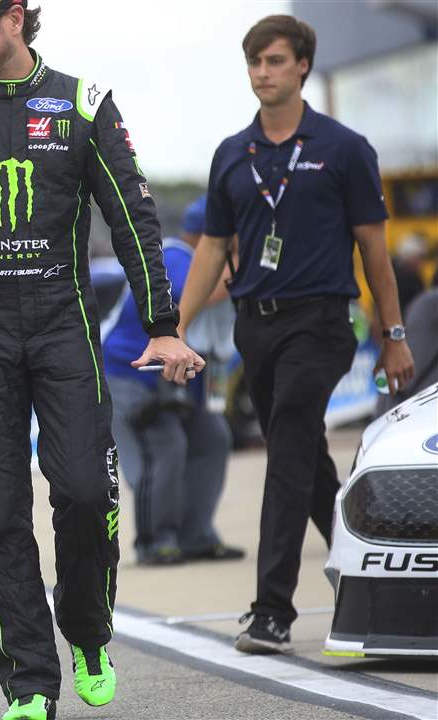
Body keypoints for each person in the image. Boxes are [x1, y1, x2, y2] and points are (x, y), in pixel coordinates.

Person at [0, 3, 203, 718]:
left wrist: (162, 325)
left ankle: (87, 632)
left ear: (14, 16)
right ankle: (29, 684)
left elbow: (133, 216)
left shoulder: (85, 103)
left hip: (64, 324)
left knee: (86, 491)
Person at [177, 15, 415, 655]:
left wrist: (393, 335)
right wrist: (175, 327)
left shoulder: (344, 148)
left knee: (285, 450)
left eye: (275, 61)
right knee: (305, 459)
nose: (263, 73)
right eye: (254, 63)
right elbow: (212, 250)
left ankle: (271, 612)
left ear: (303, 65)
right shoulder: (233, 153)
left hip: (321, 323)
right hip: (255, 326)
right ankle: (373, 571)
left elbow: (375, 252)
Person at [103, 196, 243, 566]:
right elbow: (196, 293)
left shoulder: (205, 260)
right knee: (164, 444)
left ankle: (196, 536)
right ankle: (155, 541)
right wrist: (248, 262)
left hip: (180, 379)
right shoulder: (175, 256)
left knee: (212, 437)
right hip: (132, 375)